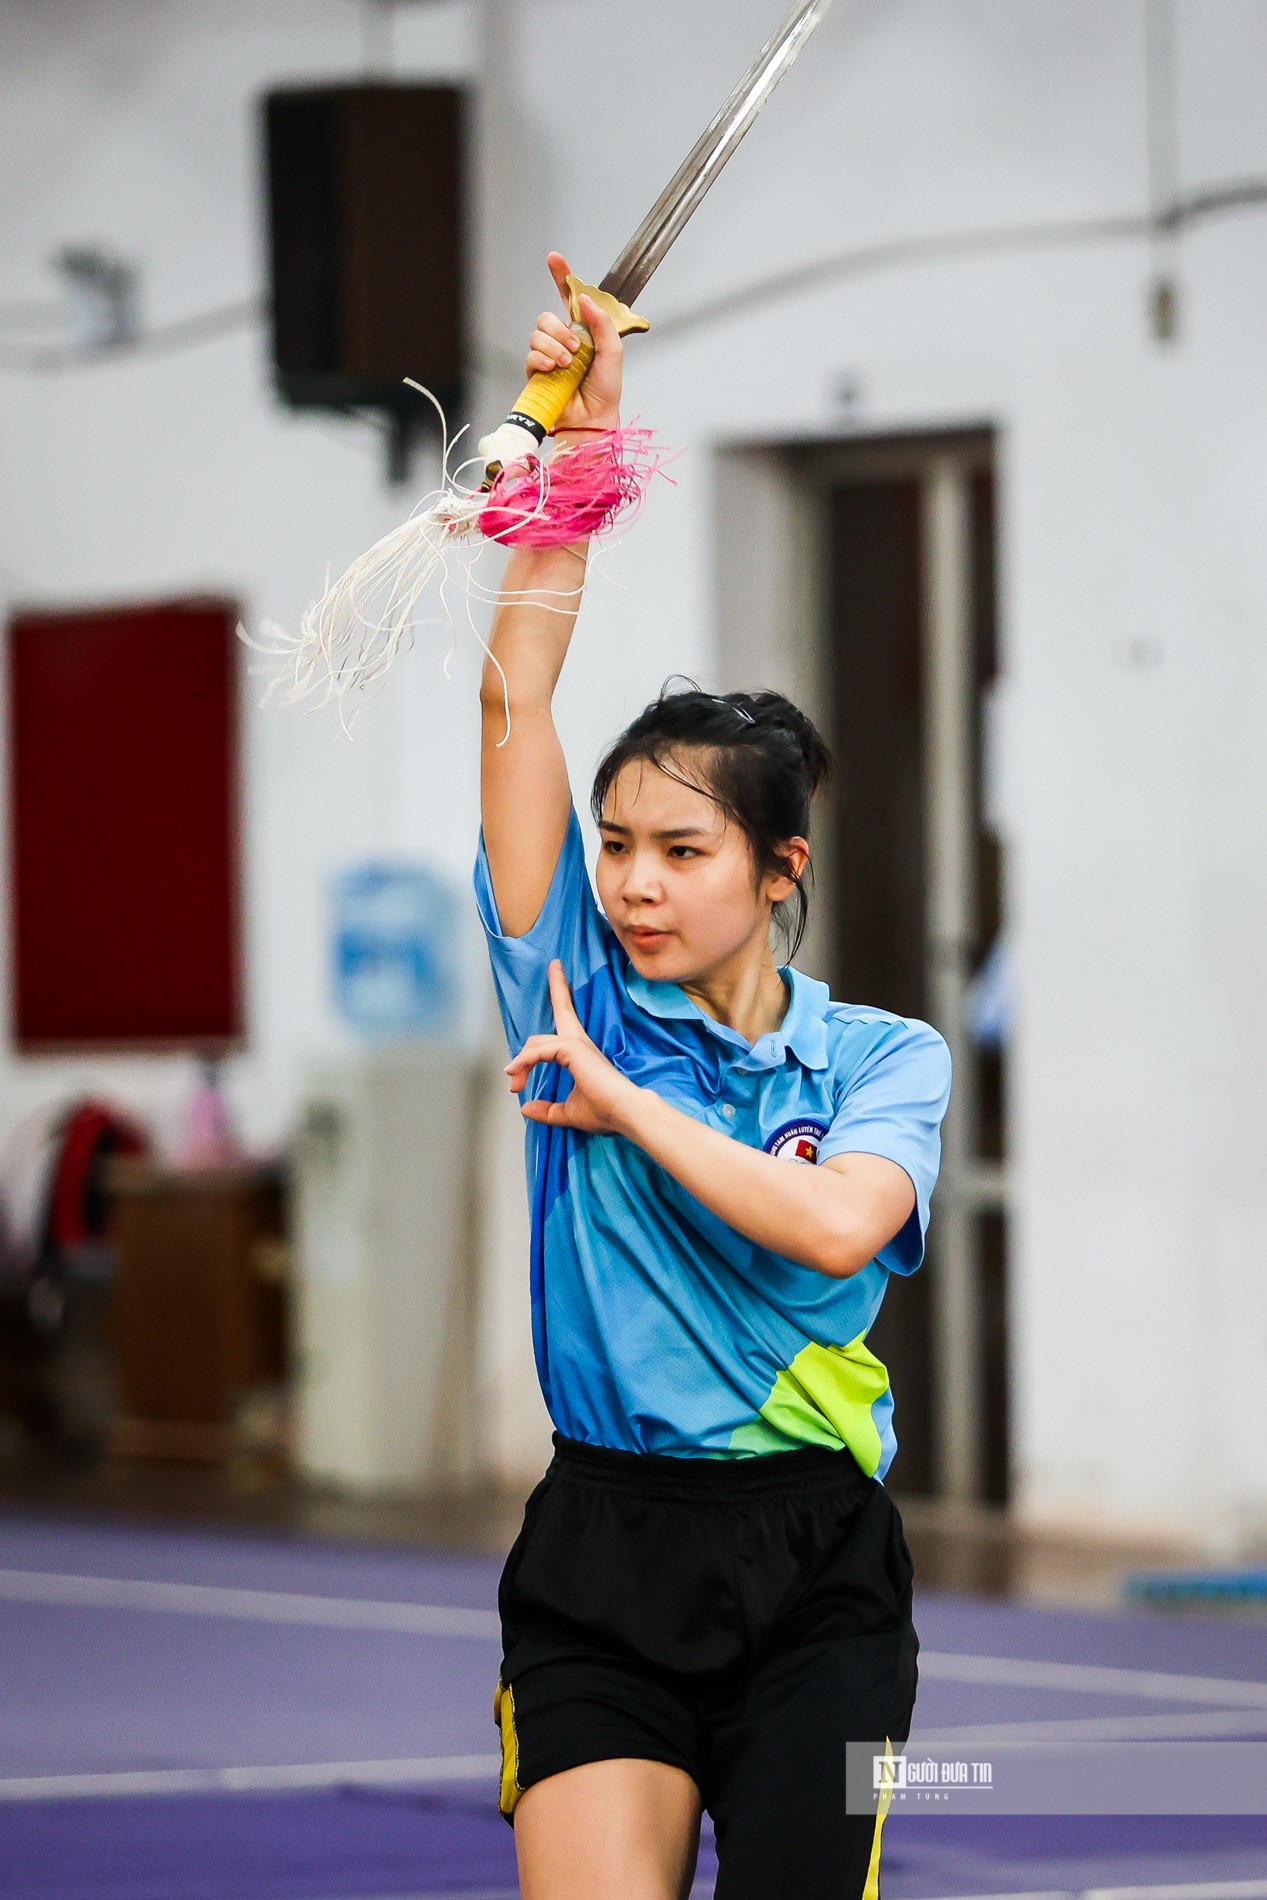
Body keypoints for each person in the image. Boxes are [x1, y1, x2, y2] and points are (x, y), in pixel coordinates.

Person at [476, 252, 952, 1900]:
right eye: (616, 846)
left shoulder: (886, 1059)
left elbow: (834, 1232)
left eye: (684, 849)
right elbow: (513, 688)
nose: (634, 884)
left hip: (817, 1565)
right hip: (602, 1549)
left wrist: (624, 1107)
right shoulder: (565, 986)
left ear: (779, 867)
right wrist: (589, 440)